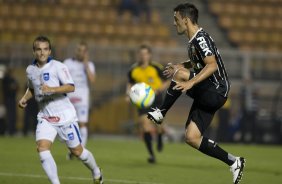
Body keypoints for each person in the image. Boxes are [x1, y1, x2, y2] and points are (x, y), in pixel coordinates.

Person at [147, 3, 245, 184]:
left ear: (185, 19)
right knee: (191, 137)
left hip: (217, 90)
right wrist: (182, 66)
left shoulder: (201, 38)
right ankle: (234, 161)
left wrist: (189, 80)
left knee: (180, 76)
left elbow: (212, 64)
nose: (173, 23)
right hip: (209, 93)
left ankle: (161, 112)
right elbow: (198, 63)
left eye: (176, 19)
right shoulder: (193, 40)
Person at [18, 36, 103, 184]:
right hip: (45, 116)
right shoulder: (30, 70)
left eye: (45, 49)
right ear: (34, 52)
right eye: (38, 49)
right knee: (42, 148)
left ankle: (96, 170)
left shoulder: (58, 66)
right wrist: (25, 98)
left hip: (65, 116)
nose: (42, 53)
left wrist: (51, 89)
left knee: (78, 152)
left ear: (49, 51)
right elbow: (32, 88)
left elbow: (71, 86)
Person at [127, 44, 169, 163]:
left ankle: (160, 135)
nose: (143, 56)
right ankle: (151, 154)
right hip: (142, 102)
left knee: (158, 125)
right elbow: (130, 83)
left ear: (149, 55)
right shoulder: (133, 69)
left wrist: (158, 90)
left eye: (145, 53)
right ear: (138, 55)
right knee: (145, 125)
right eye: (141, 54)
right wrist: (128, 93)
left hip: (156, 99)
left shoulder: (156, 67)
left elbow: (166, 81)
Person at [64, 42, 96, 149]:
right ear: (75, 51)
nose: (81, 53)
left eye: (83, 51)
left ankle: (81, 149)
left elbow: (92, 80)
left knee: (82, 123)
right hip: (69, 97)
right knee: (69, 124)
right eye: (79, 50)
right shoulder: (67, 63)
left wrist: (86, 64)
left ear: (86, 52)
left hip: (82, 97)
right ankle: (73, 148)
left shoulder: (89, 65)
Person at [2, 68, 19, 136]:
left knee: (12, 115)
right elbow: (10, 87)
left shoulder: (12, 79)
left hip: (12, 99)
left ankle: (12, 130)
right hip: (8, 99)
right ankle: (9, 130)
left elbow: (16, 87)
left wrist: (14, 86)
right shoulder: (6, 79)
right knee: (9, 116)